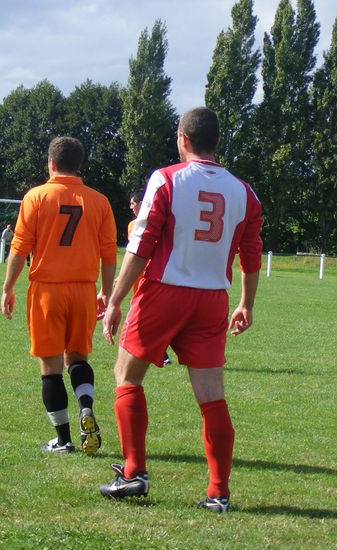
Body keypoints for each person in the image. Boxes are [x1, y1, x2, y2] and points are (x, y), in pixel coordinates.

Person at [99, 107, 263, 513]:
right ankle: (218, 492)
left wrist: (116, 299)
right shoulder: (244, 192)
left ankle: (134, 472)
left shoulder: (167, 178)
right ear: (217, 141)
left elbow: (142, 246)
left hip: (164, 291)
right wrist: (246, 304)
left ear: (182, 139)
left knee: (127, 376)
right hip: (212, 299)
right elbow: (251, 255)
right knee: (211, 397)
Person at [1, 136, 117, 455]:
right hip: (83, 290)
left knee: (50, 367)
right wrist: (106, 292)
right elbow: (109, 254)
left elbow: (19, 247)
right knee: (78, 358)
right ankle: (85, 407)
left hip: (47, 291)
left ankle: (64, 439)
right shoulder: (99, 201)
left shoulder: (37, 196)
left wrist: (8, 287)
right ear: (79, 164)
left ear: (51, 163)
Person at [128, 191, 170, 366]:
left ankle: (160, 353)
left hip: (150, 275)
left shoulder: (156, 223)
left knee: (144, 315)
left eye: (132, 203)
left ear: (140, 203)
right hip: (137, 276)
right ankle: (157, 352)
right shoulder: (131, 225)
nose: (131, 207)